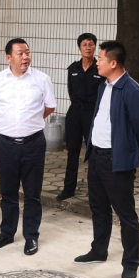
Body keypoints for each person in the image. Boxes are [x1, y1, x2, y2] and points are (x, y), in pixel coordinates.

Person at [74, 41, 139, 278]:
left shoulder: (132, 90)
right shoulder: (103, 86)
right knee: (98, 208)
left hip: (117, 161)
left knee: (125, 213)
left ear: (114, 63)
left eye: (101, 59)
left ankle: (131, 262)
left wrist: (127, 152)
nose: (97, 62)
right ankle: (99, 250)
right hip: (96, 156)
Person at [0, 38, 56, 255]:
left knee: (32, 193)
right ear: (9, 57)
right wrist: (12, 122)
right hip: (6, 144)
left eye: (27, 52)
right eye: (20, 53)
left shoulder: (41, 79)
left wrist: (30, 121)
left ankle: (31, 236)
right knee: (8, 192)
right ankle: (7, 233)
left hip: (33, 143)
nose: (25, 57)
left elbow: (49, 107)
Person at [58, 33, 104, 202]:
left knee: (93, 153)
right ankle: (68, 189)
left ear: (94, 47)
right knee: (73, 152)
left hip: (92, 115)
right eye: (84, 44)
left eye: (91, 44)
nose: (88, 48)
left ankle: (95, 191)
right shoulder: (73, 69)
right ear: (79, 48)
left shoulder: (100, 69)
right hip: (75, 114)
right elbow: (71, 91)